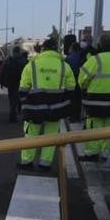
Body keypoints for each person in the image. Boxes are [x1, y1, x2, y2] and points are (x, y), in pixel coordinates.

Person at [18, 35, 76, 170]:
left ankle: (27, 162)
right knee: (51, 136)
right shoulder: (64, 65)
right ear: (56, 50)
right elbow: (71, 88)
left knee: (31, 135)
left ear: (42, 49)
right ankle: (45, 164)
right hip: (56, 108)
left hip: (34, 107)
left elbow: (23, 88)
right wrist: (63, 102)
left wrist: (24, 103)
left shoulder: (31, 64)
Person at [77, 33, 110, 161]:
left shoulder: (95, 60)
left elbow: (82, 80)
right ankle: (106, 153)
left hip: (95, 100)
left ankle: (92, 153)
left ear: (100, 45)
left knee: (94, 126)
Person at [0, 46, 27, 123]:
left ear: (13, 52)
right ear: (19, 52)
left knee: (12, 100)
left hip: (11, 83)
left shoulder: (8, 60)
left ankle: (12, 115)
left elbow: (3, 71)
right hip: (21, 83)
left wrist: (2, 82)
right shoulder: (23, 60)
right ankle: (22, 114)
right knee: (22, 99)